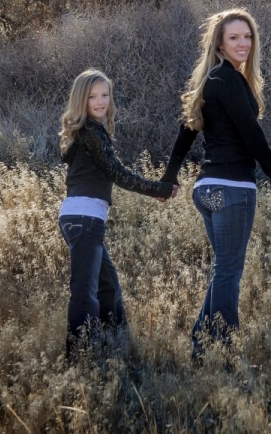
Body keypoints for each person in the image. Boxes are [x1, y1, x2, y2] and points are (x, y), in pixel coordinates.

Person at [160, 8, 271, 362]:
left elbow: (186, 131)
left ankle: (201, 343)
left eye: (247, 37)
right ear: (219, 43)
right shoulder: (228, 79)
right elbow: (252, 133)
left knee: (224, 269)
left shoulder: (212, 80)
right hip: (232, 190)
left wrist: (171, 177)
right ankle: (225, 349)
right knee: (229, 270)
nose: (243, 43)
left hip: (206, 190)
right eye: (234, 37)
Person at [58, 68, 178, 360]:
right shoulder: (90, 131)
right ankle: (80, 359)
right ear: (80, 101)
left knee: (107, 286)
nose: (100, 102)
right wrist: (158, 189)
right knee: (85, 293)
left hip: (79, 217)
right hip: (85, 219)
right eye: (92, 96)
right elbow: (117, 173)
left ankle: (116, 348)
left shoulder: (87, 132)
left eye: (105, 95)